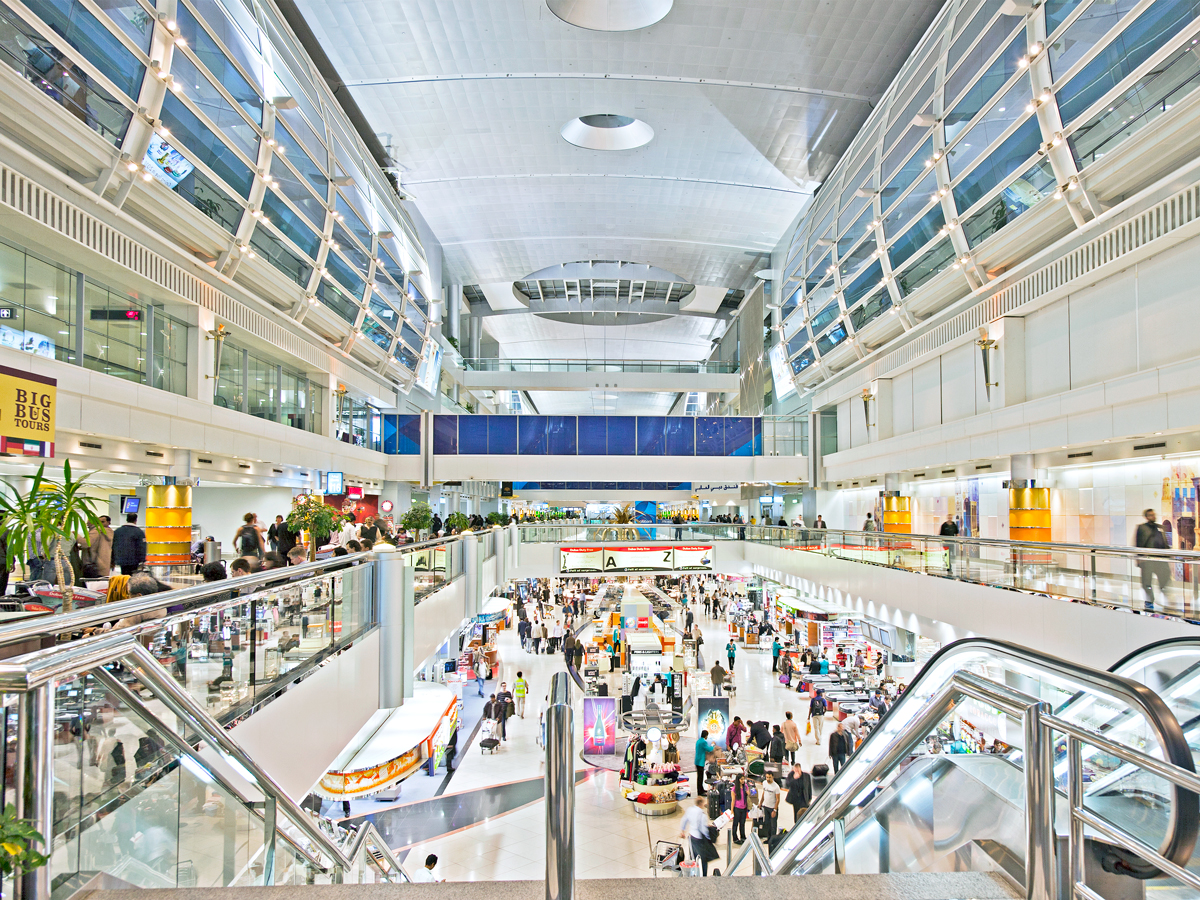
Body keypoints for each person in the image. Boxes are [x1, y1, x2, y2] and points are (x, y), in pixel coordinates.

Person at [1135, 509, 1171, 611]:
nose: (1153, 517)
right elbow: (1138, 544)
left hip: (1160, 560)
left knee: (1164, 581)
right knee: (1147, 582)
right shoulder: (1142, 528)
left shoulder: (1160, 528)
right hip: (1147, 561)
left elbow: (1165, 543)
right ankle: (1149, 602)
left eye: (1154, 515)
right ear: (1146, 517)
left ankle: (1165, 602)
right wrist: (1139, 559)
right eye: (1150, 515)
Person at [680, 795, 714, 876]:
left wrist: (682, 831)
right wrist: (709, 838)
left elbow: (684, 820)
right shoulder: (702, 814)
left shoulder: (690, 810)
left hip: (691, 837)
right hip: (699, 839)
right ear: (701, 803)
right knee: (703, 859)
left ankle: (693, 873)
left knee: (693, 857)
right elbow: (703, 829)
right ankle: (703, 875)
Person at [784, 763, 812, 827]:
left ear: (800, 769)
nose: (797, 771)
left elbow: (809, 787)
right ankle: (796, 826)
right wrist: (794, 778)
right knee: (797, 814)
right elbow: (787, 784)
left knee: (805, 813)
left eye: (798, 770)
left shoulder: (806, 776)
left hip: (804, 798)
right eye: (795, 770)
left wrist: (809, 797)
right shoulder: (791, 775)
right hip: (796, 799)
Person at [759, 771, 780, 839]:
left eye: (769, 777)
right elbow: (763, 793)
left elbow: (777, 799)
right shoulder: (764, 783)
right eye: (767, 777)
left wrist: (774, 810)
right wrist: (761, 803)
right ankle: (768, 838)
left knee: (773, 825)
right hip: (766, 806)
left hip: (772, 808)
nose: (768, 779)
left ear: (772, 777)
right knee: (767, 824)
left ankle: (773, 839)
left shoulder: (776, 787)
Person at [694, 729, 715, 796]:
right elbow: (709, 749)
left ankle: (701, 789)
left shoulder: (698, 741)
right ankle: (700, 792)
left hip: (697, 760)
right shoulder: (703, 742)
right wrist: (713, 745)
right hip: (700, 761)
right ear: (706, 735)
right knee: (700, 777)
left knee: (699, 776)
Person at [730, 772, 750, 844]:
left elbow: (749, 793)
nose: (743, 781)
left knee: (742, 823)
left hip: (744, 808)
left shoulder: (745, 786)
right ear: (738, 780)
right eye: (741, 779)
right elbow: (733, 800)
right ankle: (735, 838)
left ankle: (743, 836)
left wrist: (747, 791)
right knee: (735, 823)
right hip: (737, 808)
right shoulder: (734, 789)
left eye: (743, 779)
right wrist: (732, 810)